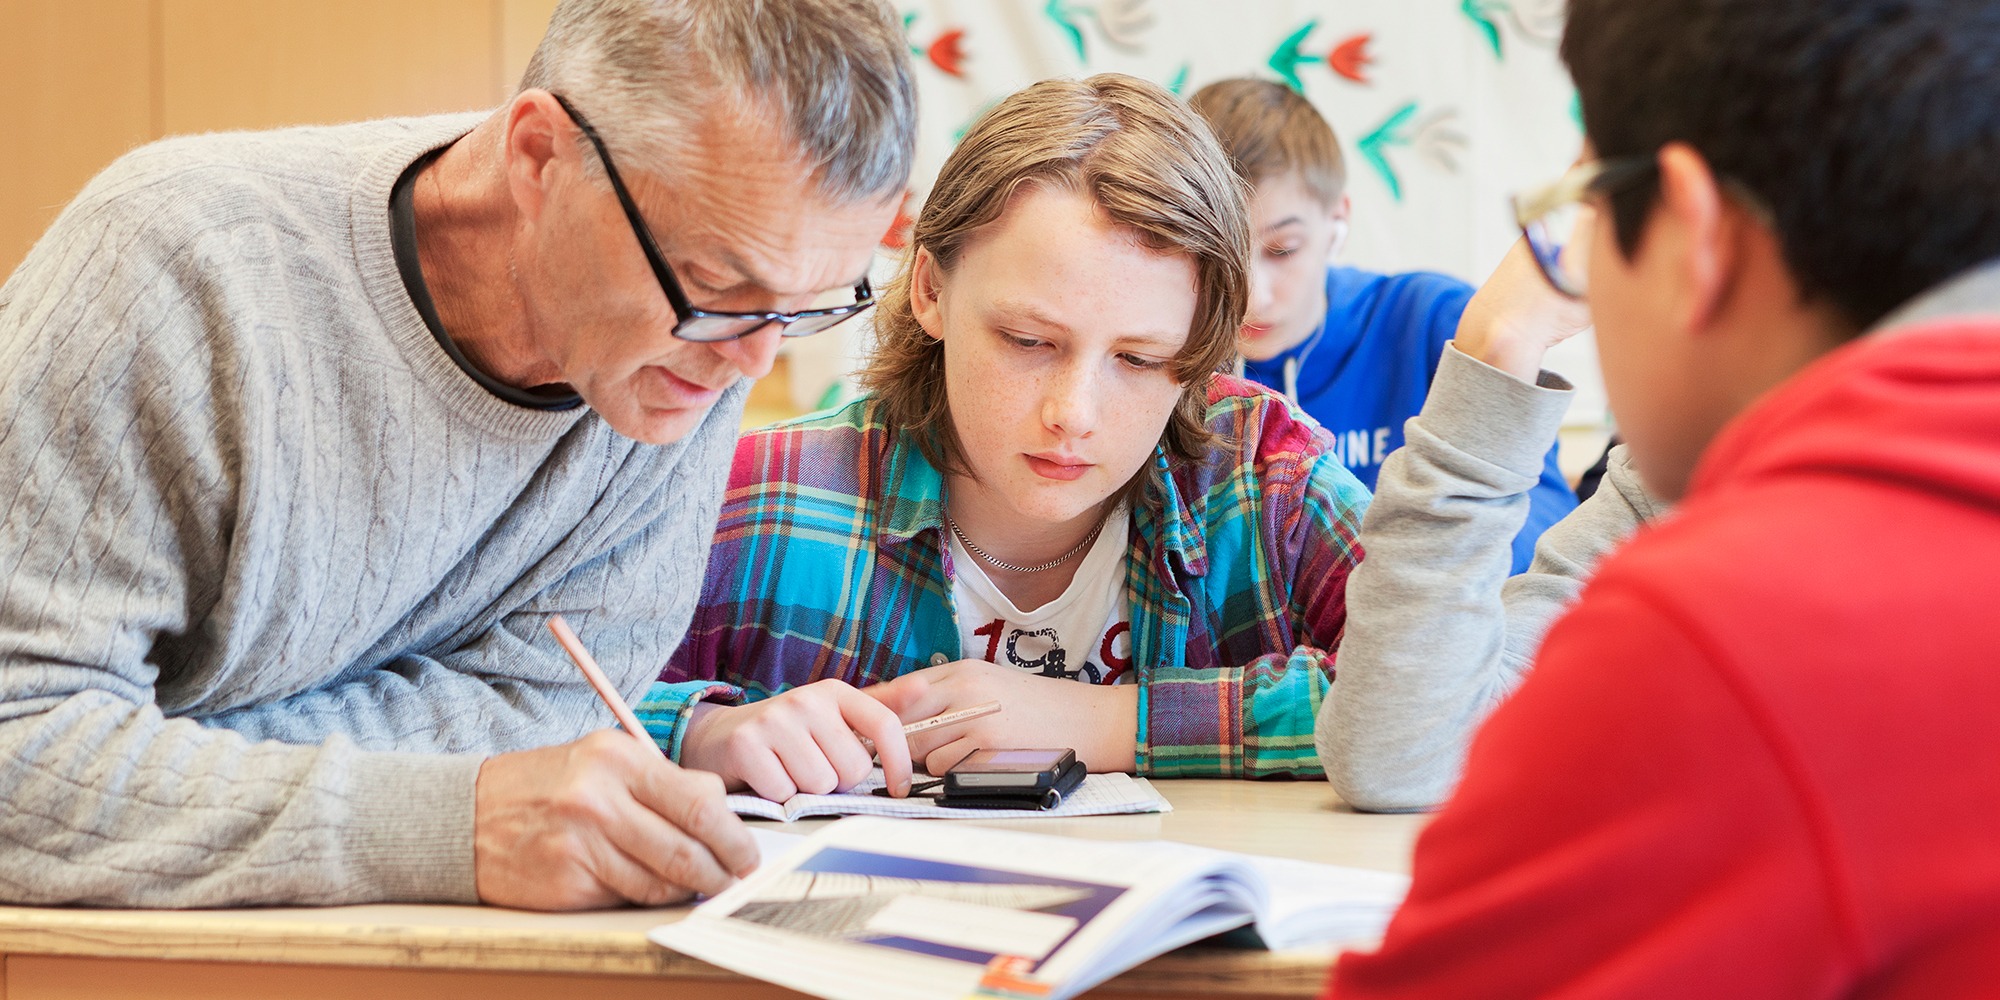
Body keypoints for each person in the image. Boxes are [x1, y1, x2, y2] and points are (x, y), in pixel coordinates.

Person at [0, 0, 914, 909]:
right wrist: (444, 820)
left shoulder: (694, 345)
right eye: (719, 283)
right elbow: (18, 744)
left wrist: (162, 765)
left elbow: (546, 708)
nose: (750, 362)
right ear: (537, 157)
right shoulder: (183, 270)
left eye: (806, 305)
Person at [1328, 0, 2000, 995]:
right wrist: (1493, 347)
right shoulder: (1681, 495)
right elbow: (1402, 751)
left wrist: (1484, 350)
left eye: (1583, 220)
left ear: (1689, 231)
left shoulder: (1716, 624)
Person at [636, 73, 1369, 801]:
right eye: (1027, 341)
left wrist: (1111, 721)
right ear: (930, 290)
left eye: (1140, 359)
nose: (1073, 413)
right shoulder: (757, 495)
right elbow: (536, 702)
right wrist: (699, 733)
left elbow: (1464, 684)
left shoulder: (1266, 480)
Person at [1190, 78, 1577, 573]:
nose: (1251, 295)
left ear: (1337, 223)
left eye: (1282, 250)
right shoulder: (1161, 353)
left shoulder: (1437, 322)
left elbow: (1543, 525)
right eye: (1214, 252)